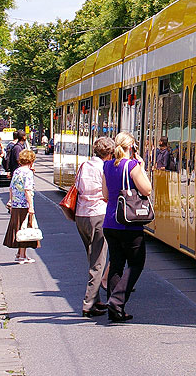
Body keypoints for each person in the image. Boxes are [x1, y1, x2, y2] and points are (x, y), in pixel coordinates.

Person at [101, 131, 152, 322]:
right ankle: (117, 301)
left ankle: (115, 310)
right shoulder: (132, 165)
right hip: (129, 223)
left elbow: (105, 194)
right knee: (137, 263)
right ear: (131, 147)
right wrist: (142, 167)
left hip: (110, 222)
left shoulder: (107, 165)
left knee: (116, 264)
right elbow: (146, 189)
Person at [76, 136, 114, 317]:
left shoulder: (85, 165)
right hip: (98, 214)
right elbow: (106, 193)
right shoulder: (104, 167)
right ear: (109, 153)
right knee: (98, 261)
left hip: (81, 215)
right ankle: (88, 303)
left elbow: (77, 187)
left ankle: (96, 299)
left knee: (91, 256)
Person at [4, 149, 39, 263]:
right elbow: (27, 190)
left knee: (19, 228)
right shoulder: (28, 173)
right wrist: (31, 206)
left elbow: (11, 188)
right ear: (31, 161)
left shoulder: (17, 171)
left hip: (16, 203)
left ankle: (20, 253)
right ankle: (22, 255)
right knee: (24, 229)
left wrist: (11, 201)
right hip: (24, 204)